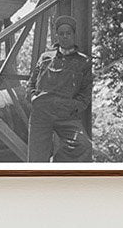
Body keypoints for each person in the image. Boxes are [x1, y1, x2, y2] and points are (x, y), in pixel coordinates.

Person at [27, 16, 92, 162]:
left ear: (74, 35)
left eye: (68, 33)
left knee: (83, 145)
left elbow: (85, 94)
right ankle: (40, 180)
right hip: (41, 114)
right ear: (57, 36)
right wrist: (33, 98)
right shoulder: (45, 57)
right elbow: (31, 83)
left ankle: (56, 167)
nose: (64, 36)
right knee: (36, 158)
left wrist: (71, 107)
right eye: (61, 33)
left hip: (66, 115)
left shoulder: (84, 62)